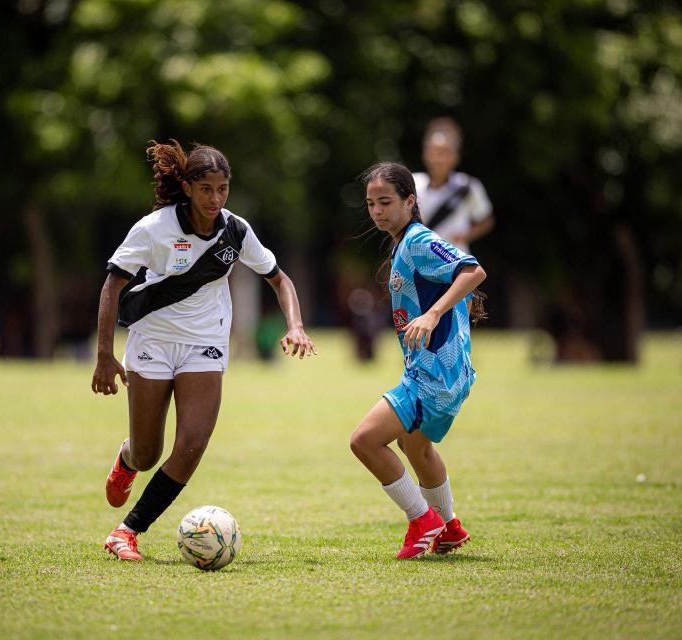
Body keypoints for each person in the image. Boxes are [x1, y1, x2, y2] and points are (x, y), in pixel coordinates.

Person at [92, 140, 317, 561]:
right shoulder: (154, 228)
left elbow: (279, 278)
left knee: (193, 442)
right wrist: (105, 355)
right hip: (152, 341)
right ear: (189, 187)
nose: (215, 199)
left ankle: (126, 532)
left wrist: (296, 325)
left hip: (205, 342)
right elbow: (113, 284)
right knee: (147, 452)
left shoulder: (236, 231)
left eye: (223, 189)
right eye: (206, 189)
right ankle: (126, 460)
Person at [349, 162, 487, 559]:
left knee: (364, 441)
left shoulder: (418, 240)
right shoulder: (401, 243)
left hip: (434, 377)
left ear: (411, 201)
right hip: (441, 373)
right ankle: (449, 527)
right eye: (372, 203)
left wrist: (433, 313)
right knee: (416, 446)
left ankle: (423, 519)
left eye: (386, 201)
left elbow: (473, 270)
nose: (377, 210)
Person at [413, 117, 494, 254]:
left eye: (444, 153)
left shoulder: (467, 186)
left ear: (455, 156)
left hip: (455, 264)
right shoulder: (412, 183)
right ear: (424, 154)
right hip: (416, 263)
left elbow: (486, 221)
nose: (438, 158)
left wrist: (465, 236)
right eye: (433, 151)